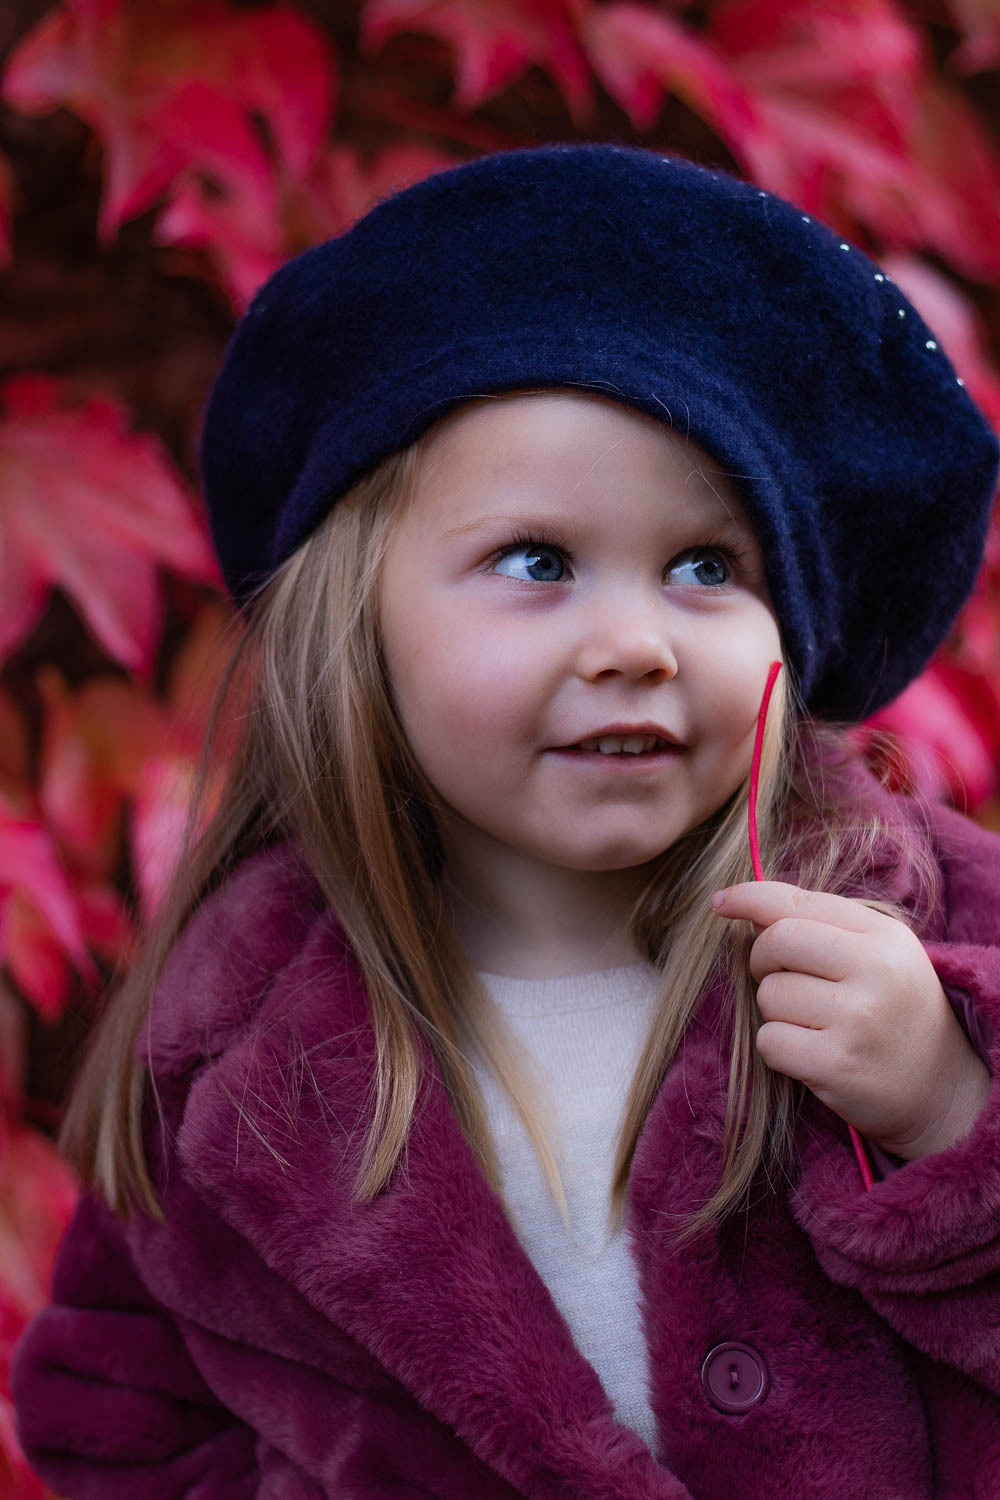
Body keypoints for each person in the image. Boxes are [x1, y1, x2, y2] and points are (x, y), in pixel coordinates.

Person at [10, 143, 1000, 1499]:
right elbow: (118, 1422)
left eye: (706, 565)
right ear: (356, 626)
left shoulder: (936, 944)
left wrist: (952, 1113)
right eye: (538, 561)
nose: (638, 640)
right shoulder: (229, 1043)